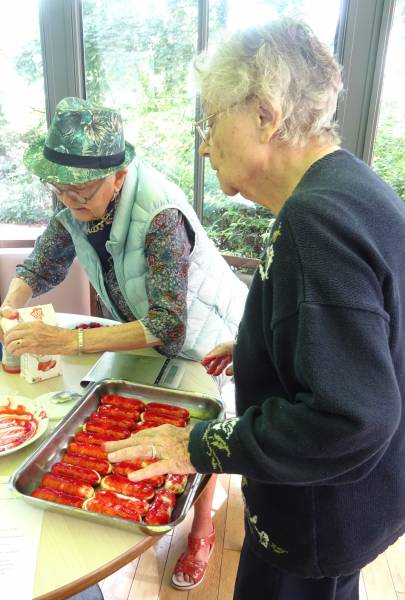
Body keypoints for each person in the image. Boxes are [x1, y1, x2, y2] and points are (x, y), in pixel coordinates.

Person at [101, 17, 405, 600]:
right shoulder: (351, 188)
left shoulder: (315, 223)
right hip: (352, 504)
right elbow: (363, 341)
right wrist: (258, 345)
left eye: (210, 119)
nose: (204, 142)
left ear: (266, 116)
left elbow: (351, 419)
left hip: (315, 515)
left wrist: (194, 445)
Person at [0, 96, 248, 591]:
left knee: (199, 424)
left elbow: (169, 325)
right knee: (133, 419)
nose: (70, 200)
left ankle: (201, 533)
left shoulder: (160, 217)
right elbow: (42, 263)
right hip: (144, 330)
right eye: (59, 187)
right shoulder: (76, 198)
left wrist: (67, 341)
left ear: (119, 174)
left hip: (211, 337)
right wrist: (11, 305)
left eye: (81, 190)